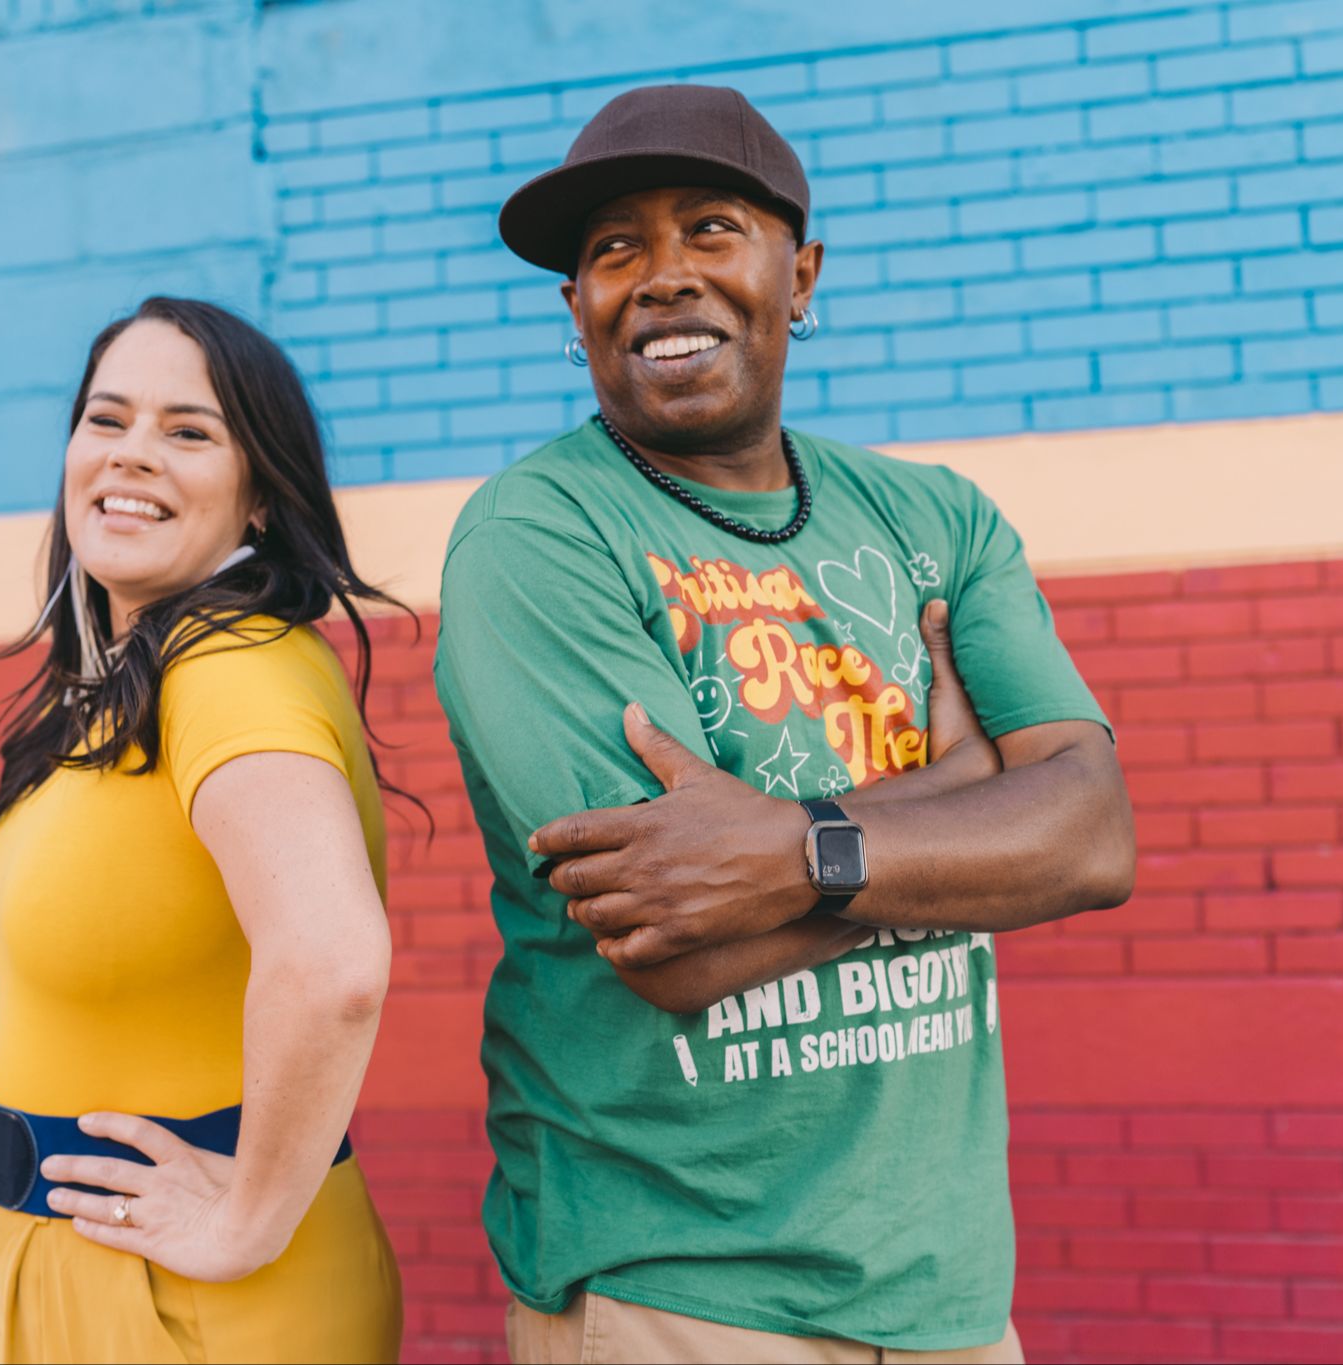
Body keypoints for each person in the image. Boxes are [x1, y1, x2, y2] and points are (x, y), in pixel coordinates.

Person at [435, 85, 1136, 1364]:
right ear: (574, 309)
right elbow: (668, 943)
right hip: (672, 1285)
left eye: (709, 228)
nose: (660, 277)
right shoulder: (537, 535)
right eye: (612, 249)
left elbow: (1088, 840)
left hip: (945, 1287)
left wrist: (784, 852)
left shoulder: (936, 519)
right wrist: (960, 801)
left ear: (797, 274)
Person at [0, 297, 404, 1363]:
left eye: (189, 432)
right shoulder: (123, 687)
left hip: (185, 1308)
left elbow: (333, 960)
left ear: (258, 499)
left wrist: (243, 1219)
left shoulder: (229, 668)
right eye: (107, 422)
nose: (132, 456)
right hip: (79, 1279)